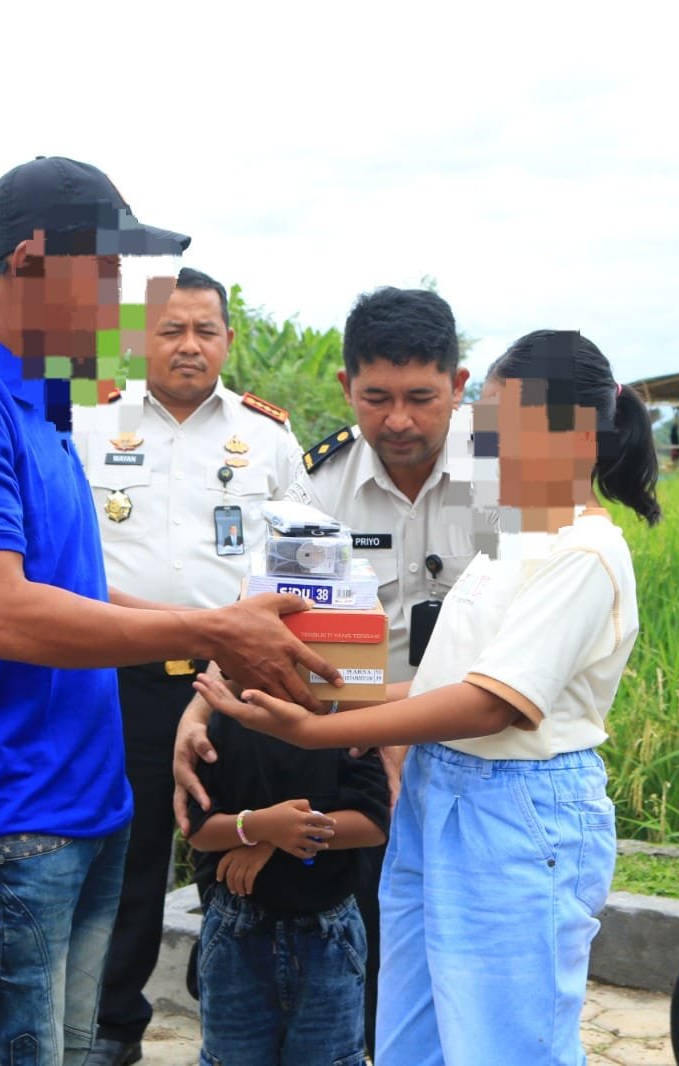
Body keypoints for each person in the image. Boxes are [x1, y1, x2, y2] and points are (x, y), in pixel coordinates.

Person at [0, 156, 338, 1066]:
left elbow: (77, 593)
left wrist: (217, 644)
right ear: (34, 257)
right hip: (10, 816)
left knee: (76, 1051)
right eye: (106, 273)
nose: (121, 304)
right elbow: (1, 616)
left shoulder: (41, 409)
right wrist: (206, 628)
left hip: (86, 802)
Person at [195, 329, 661, 1064]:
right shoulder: (515, 540)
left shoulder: (587, 550)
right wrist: (326, 700)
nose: (485, 443)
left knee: (506, 1041)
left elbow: (493, 705)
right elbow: (442, 683)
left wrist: (314, 733)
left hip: (517, 812)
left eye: (503, 425)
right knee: (417, 1033)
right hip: (439, 793)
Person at [173, 285, 475, 1051]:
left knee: (463, 953)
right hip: (349, 744)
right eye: (375, 398)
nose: (397, 421)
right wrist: (200, 707)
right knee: (357, 937)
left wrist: (403, 725)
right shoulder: (321, 482)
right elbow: (262, 607)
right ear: (346, 387)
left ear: (459, 387)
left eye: (420, 398)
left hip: (475, 738)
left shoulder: (504, 482)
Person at [74, 266, 307, 1066]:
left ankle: (236, 1016)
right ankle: (113, 1027)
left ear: (228, 340)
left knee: (234, 849)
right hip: (124, 678)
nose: (188, 346)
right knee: (130, 853)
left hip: (234, 681)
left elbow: (300, 565)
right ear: (139, 339)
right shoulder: (90, 426)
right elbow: (69, 564)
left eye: (205, 330)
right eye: (170, 330)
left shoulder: (268, 438)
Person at [185, 700, 390, 1064]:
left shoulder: (347, 723)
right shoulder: (221, 725)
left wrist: (273, 840)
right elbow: (198, 830)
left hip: (329, 934)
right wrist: (261, 827)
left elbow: (372, 823)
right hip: (236, 931)